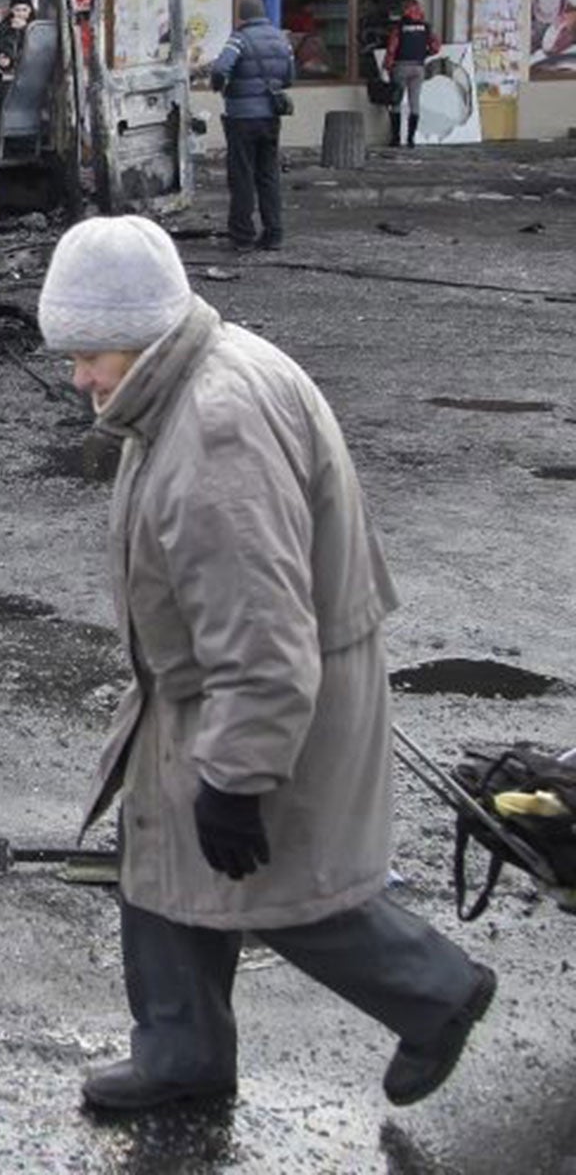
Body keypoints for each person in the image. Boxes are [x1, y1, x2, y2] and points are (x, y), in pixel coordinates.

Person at [37, 216, 496, 1117]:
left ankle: (436, 993)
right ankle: (182, 1055)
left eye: (92, 354)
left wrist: (239, 776)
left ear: (145, 331)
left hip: (265, 692)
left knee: (279, 878)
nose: (81, 379)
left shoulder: (216, 434)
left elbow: (262, 634)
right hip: (212, 685)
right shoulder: (190, 373)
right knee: (161, 856)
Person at [208, 0, 293, 251]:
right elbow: (290, 77)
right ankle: (274, 234)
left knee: (242, 176)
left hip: (241, 118)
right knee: (268, 175)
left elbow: (220, 69)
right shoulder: (282, 39)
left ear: (242, 16)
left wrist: (219, 87)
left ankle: (243, 236)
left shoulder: (239, 39)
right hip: (270, 117)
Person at [383, 0, 441, 148]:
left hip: (400, 66)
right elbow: (436, 47)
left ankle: (396, 139)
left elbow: (392, 48)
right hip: (418, 68)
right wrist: (424, 54)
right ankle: (411, 139)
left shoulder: (399, 27)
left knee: (396, 101)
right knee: (414, 103)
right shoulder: (425, 27)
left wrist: (387, 65)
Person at [0, 0, 35, 72]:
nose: (21, 14)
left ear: (30, 10)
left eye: (24, 10)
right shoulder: (0, 29)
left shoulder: (36, 28)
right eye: (17, 10)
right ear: (12, 10)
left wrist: (25, 30)